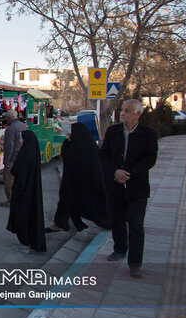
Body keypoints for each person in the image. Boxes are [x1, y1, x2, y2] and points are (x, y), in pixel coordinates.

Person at [99, 99, 158, 278]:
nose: (123, 113)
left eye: (127, 110)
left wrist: (129, 172)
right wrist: (114, 171)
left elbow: (150, 159)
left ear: (138, 114)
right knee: (117, 220)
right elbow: (103, 155)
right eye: (122, 110)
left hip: (137, 188)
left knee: (135, 223)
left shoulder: (148, 134)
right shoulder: (113, 131)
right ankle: (119, 249)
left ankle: (135, 262)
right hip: (115, 185)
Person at [46, 122, 110, 233]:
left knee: (67, 201)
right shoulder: (90, 145)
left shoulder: (76, 146)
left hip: (74, 181)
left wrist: (66, 141)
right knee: (66, 202)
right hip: (82, 181)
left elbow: (66, 155)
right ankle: (59, 223)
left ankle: (60, 223)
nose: (70, 133)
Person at [6, 130, 46, 253]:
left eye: (21, 138)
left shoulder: (25, 155)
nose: (20, 140)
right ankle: (26, 241)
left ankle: (25, 243)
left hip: (23, 192)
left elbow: (17, 170)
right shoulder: (31, 153)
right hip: (28, 191)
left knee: (22, 216)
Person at [1, 108, 27, 207]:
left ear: (9, 118)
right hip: (21, 157)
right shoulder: (23, 126)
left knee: (8, 180)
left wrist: (6, 162)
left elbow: (9, 147)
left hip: (12, 159)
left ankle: (11, 199)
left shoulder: (10, 129)